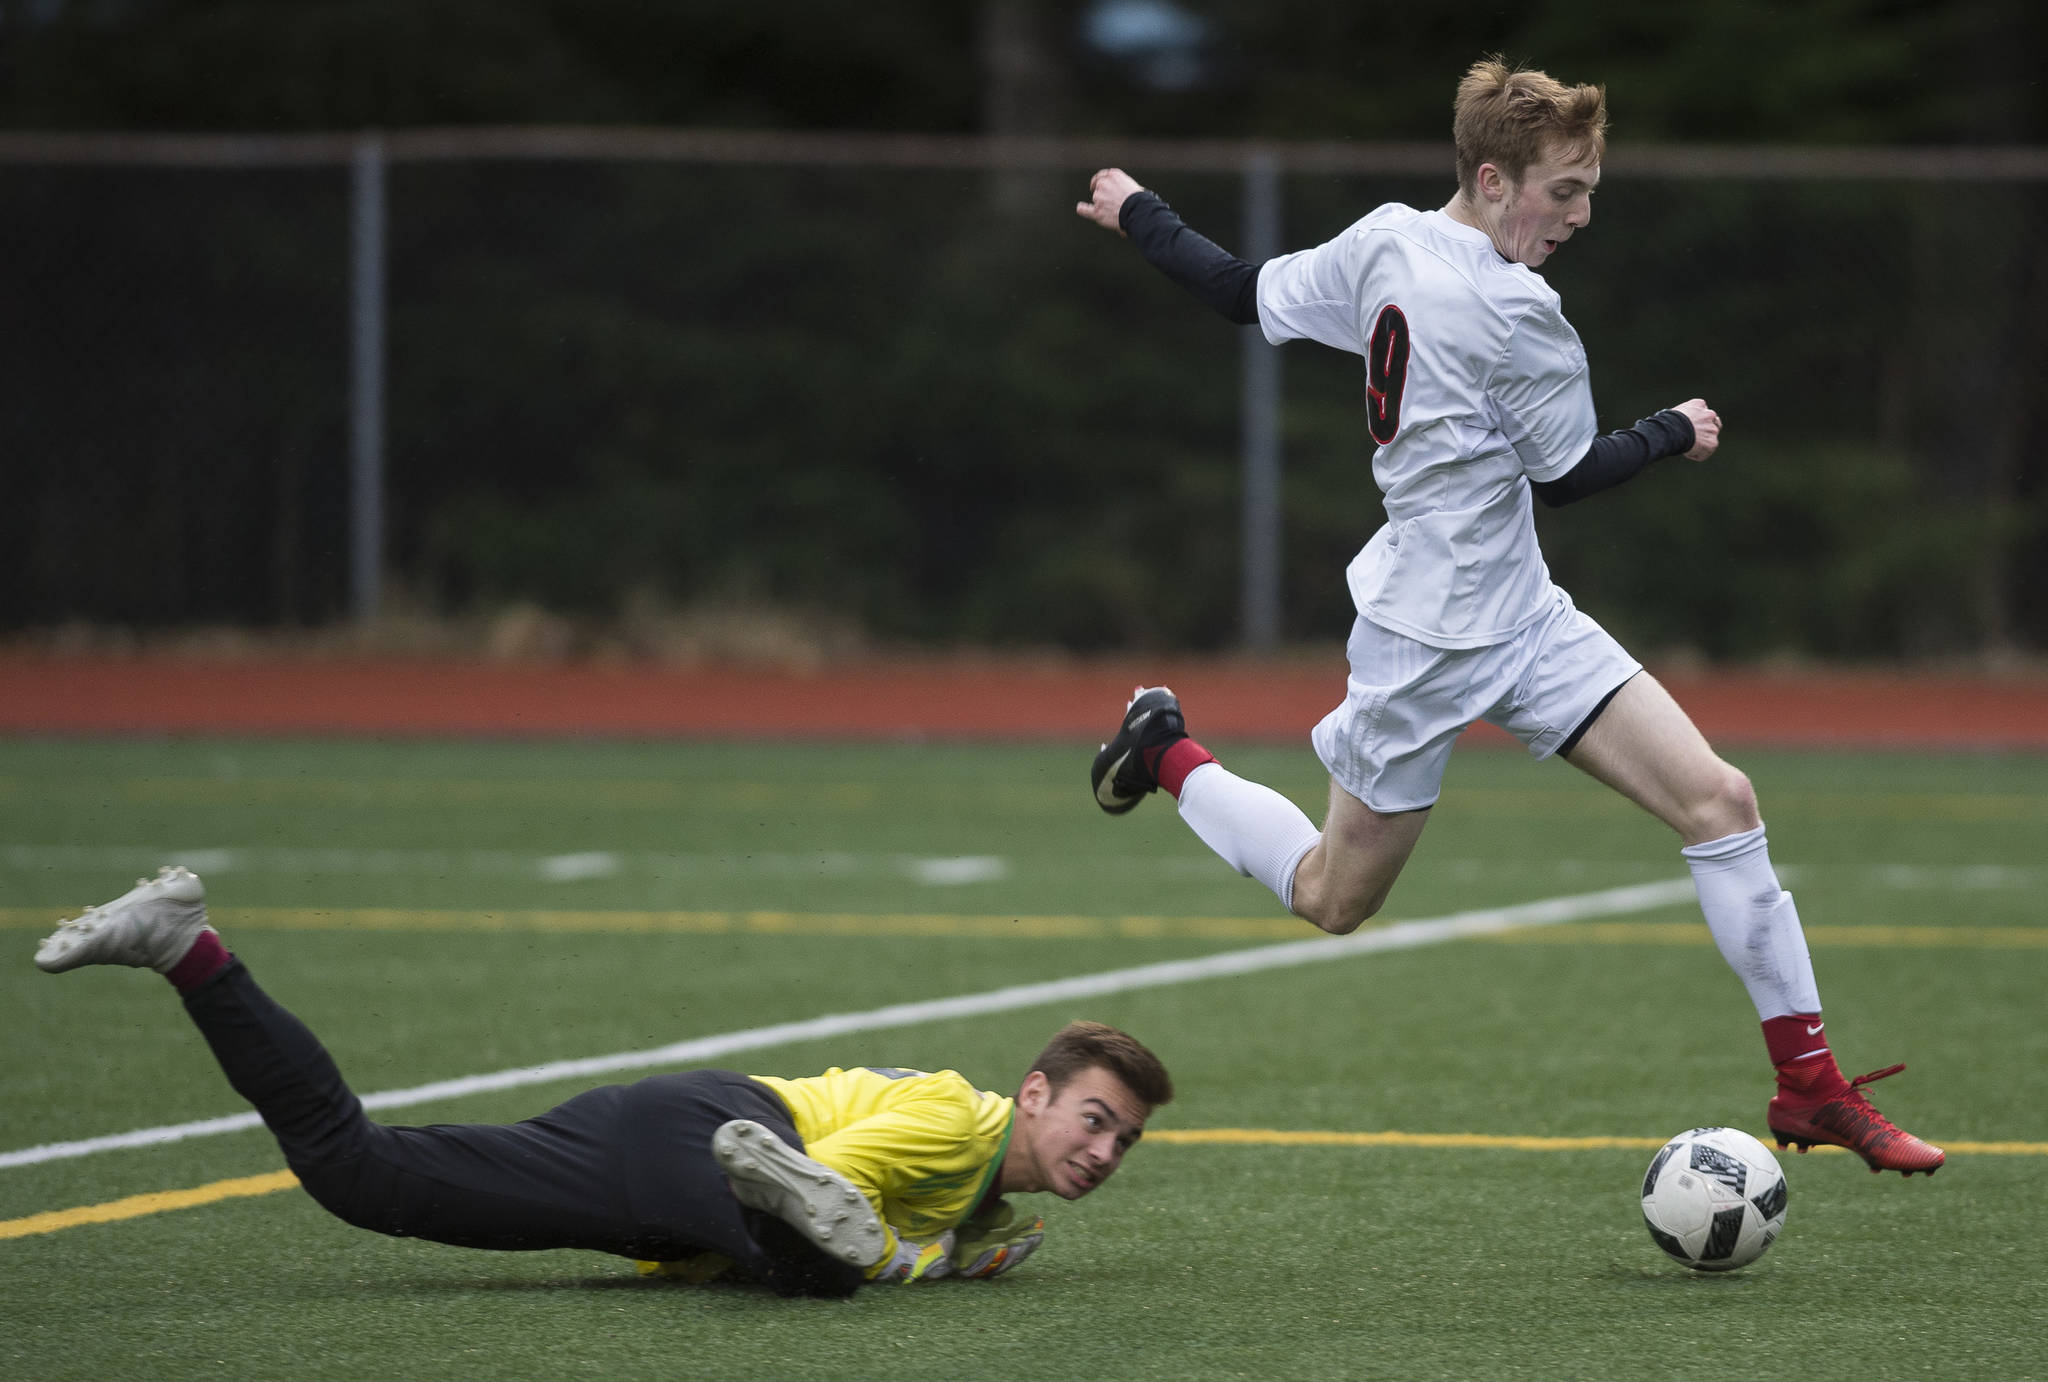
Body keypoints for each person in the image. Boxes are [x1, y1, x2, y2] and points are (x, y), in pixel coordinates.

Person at [1073, 57, 1940, 1176]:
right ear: (1492, 180)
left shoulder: (1387, 238)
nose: (1580, 215)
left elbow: (1239, 289)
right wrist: (1672, 430)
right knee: (1332, 898)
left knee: (1720, 800)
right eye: (1563, 191)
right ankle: (1166, 752)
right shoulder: (1518, 309)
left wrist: (1139, 210)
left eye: (1588, 190)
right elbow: (1567, 473)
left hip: (1525, 617)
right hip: (1424, 643)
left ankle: (1810, 1086)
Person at [33, 866, 1174, 1294]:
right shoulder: (955, 1125)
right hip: (726, 1135)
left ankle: (188, 949)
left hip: (657, 1130)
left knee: (356, 1171)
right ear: (1033, 1093)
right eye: (1095, 1119)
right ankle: (820, 1252)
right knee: (820, 1263)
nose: (1104, 1150)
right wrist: (919, 1260)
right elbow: (816, 1179)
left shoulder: (982, 1177)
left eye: (1121, 1139)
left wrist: (961, 1241)